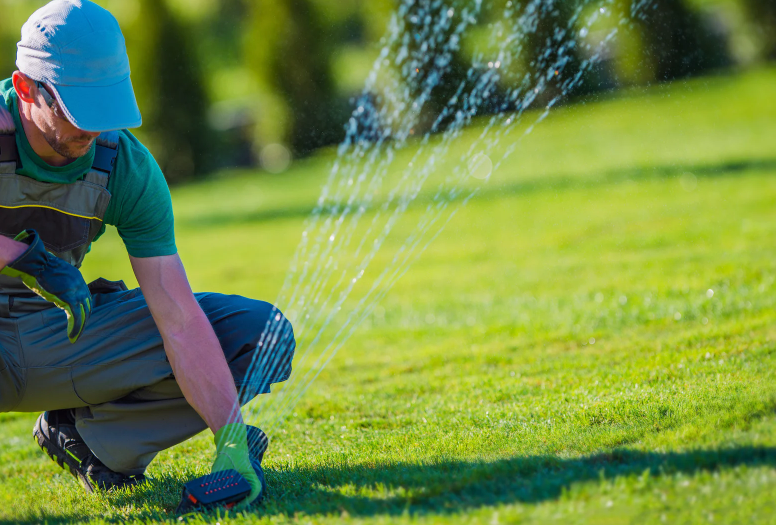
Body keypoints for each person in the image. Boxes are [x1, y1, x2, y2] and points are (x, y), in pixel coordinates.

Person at [0, 0, 295, 509]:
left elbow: (177, 316)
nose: (93, 129)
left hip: (55, 335)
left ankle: (95, 442)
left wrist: (230, 439)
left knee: (258, 335)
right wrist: (25, 258)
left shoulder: (124, 168)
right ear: (27, 89)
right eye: (76, 110)